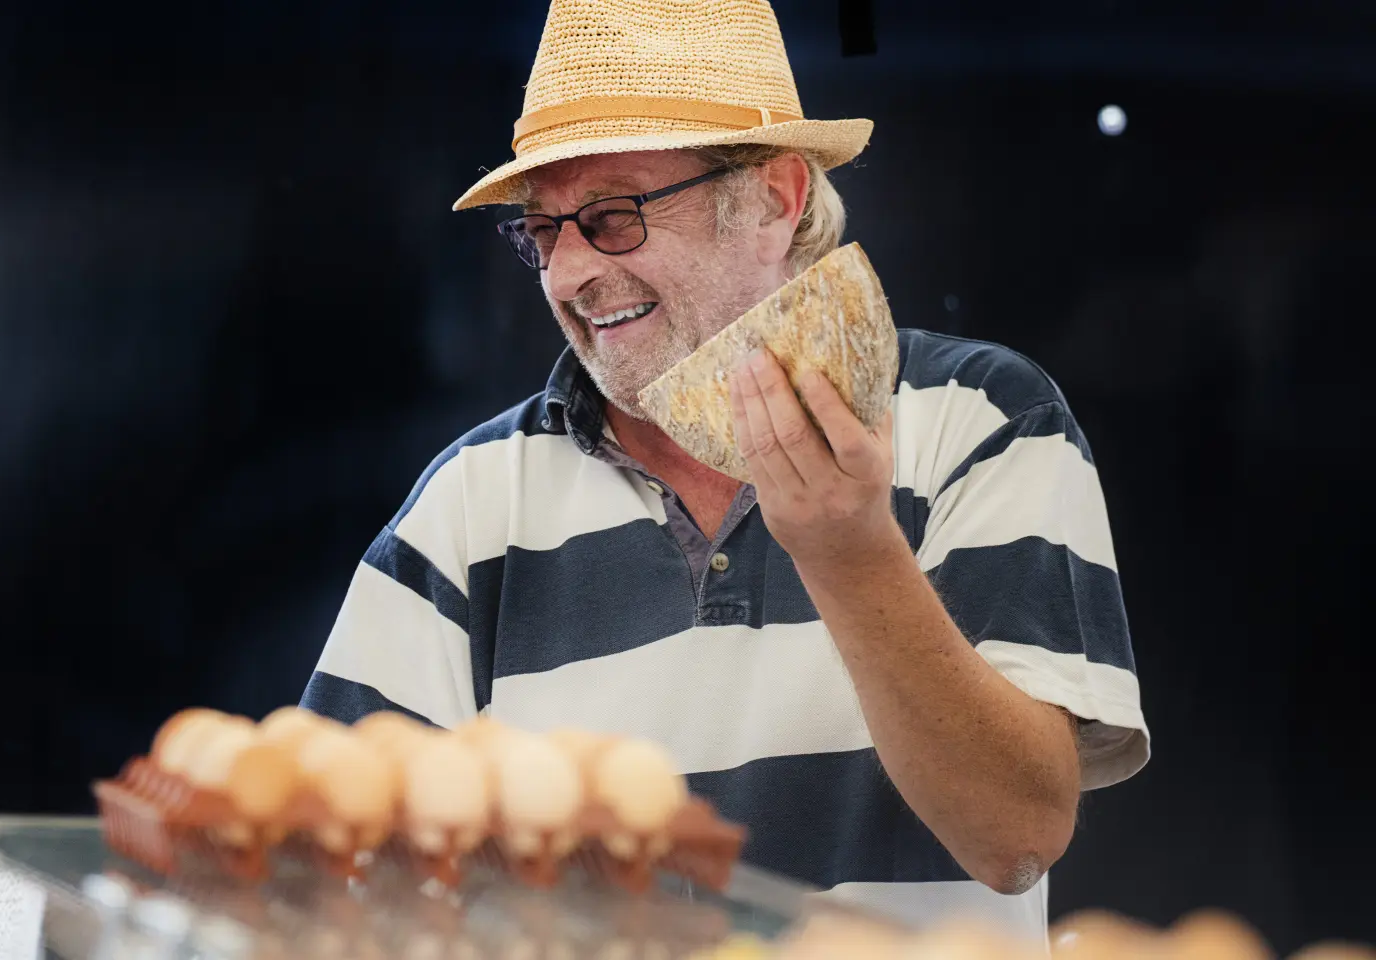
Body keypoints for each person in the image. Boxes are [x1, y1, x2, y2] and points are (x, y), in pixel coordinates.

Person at [301, 0, 1149, 939]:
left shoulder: (984, 419)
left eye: (614, 216)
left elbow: (1019, 837)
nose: (565, 274)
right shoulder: (472, 502)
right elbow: (312, 868)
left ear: (776, 200)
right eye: (542, 231)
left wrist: (850, 554)